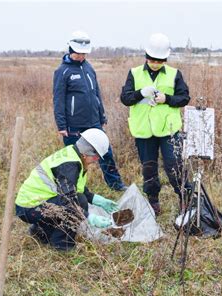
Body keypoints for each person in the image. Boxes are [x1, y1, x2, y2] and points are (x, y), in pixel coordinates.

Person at [120, 33, 191, 216]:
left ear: (165, 59)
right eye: (153, 59)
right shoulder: (134, 73)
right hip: (144, 130)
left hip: (169, 130)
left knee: (174, 166)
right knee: (149, 168)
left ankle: (185, 199)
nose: (156, 63)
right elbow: (125, 99)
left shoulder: (175, 74)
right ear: (146, 56)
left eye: (160, 60)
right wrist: (140, 93)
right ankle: (153, 201)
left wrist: (166, 98)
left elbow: (184, 98)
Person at [15, 128, 119, 251]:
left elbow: (75, 188)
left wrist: (97, 200)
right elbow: (68, 200)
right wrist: (89, 217)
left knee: (80, 198)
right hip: (30, 208)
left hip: (31, 206)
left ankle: (41, 231)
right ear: (86, 152)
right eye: (96, 157)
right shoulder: (69, 166)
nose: (96, 161)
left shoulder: (72, 154)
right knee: (79, 202)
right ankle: (62, 245)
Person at [53, 30, 127, 192]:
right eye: (79, 53)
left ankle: (116, 184)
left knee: (105, 152)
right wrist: (61, 125)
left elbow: (96, 93)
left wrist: (102, 115)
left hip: (93, 121)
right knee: (74, 159)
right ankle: (75, 191)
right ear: (71, 50)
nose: (81, 56)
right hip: (73, 125)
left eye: (84, 53)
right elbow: (58, 99)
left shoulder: (88, 68)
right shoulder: (62, 71)